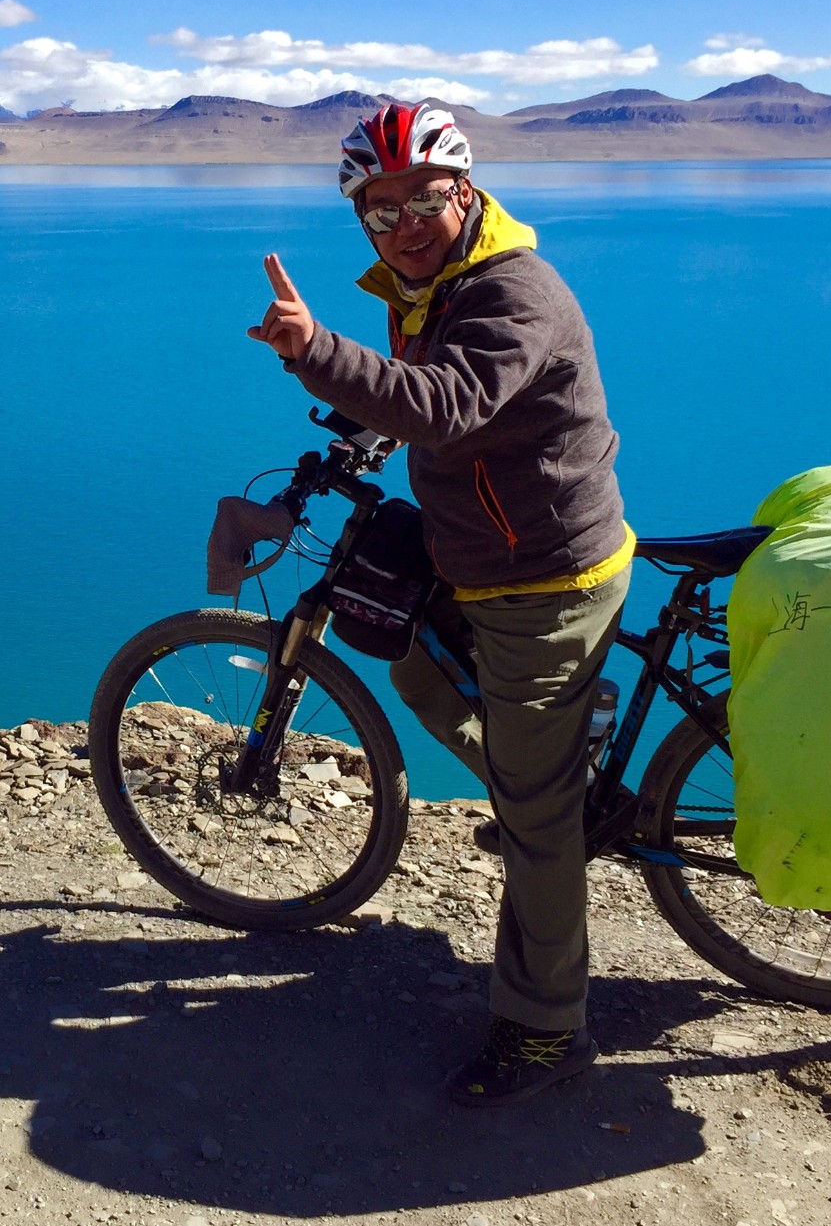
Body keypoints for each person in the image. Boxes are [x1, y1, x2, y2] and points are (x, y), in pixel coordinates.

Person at [248, 102, 632, 1107]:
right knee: (415, 659)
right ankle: (543, 760)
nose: (404, 223)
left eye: (423, 199)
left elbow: (448, 403)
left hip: (545, 576)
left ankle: (547, 1029)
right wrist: (349, 439)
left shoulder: (514, 290)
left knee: (537, 823)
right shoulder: (429, 288)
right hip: (482, 551)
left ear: (464, 193)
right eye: (380, 211)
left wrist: (310, 348)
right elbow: (418, 395)